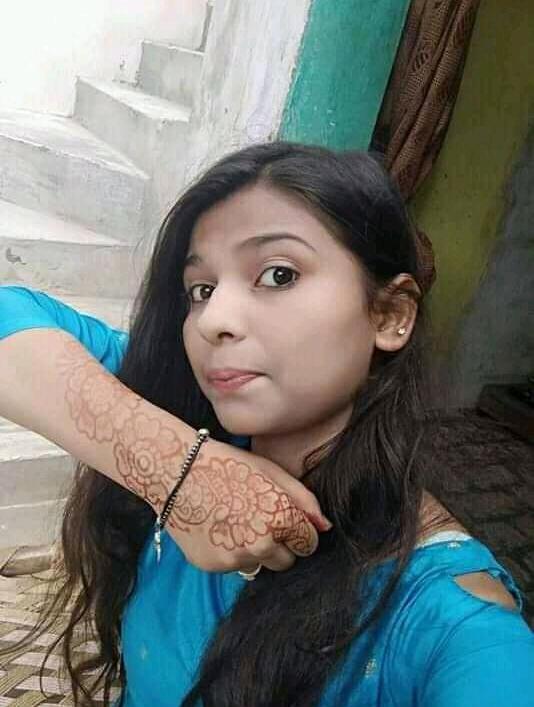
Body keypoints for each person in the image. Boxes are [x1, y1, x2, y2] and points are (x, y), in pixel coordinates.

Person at [0, 141, 532, 707]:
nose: (214, 319)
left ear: (390, 314)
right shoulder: (180, 418)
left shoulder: (446, 618)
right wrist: (174, 469)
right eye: (201, 290)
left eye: (278, 275)